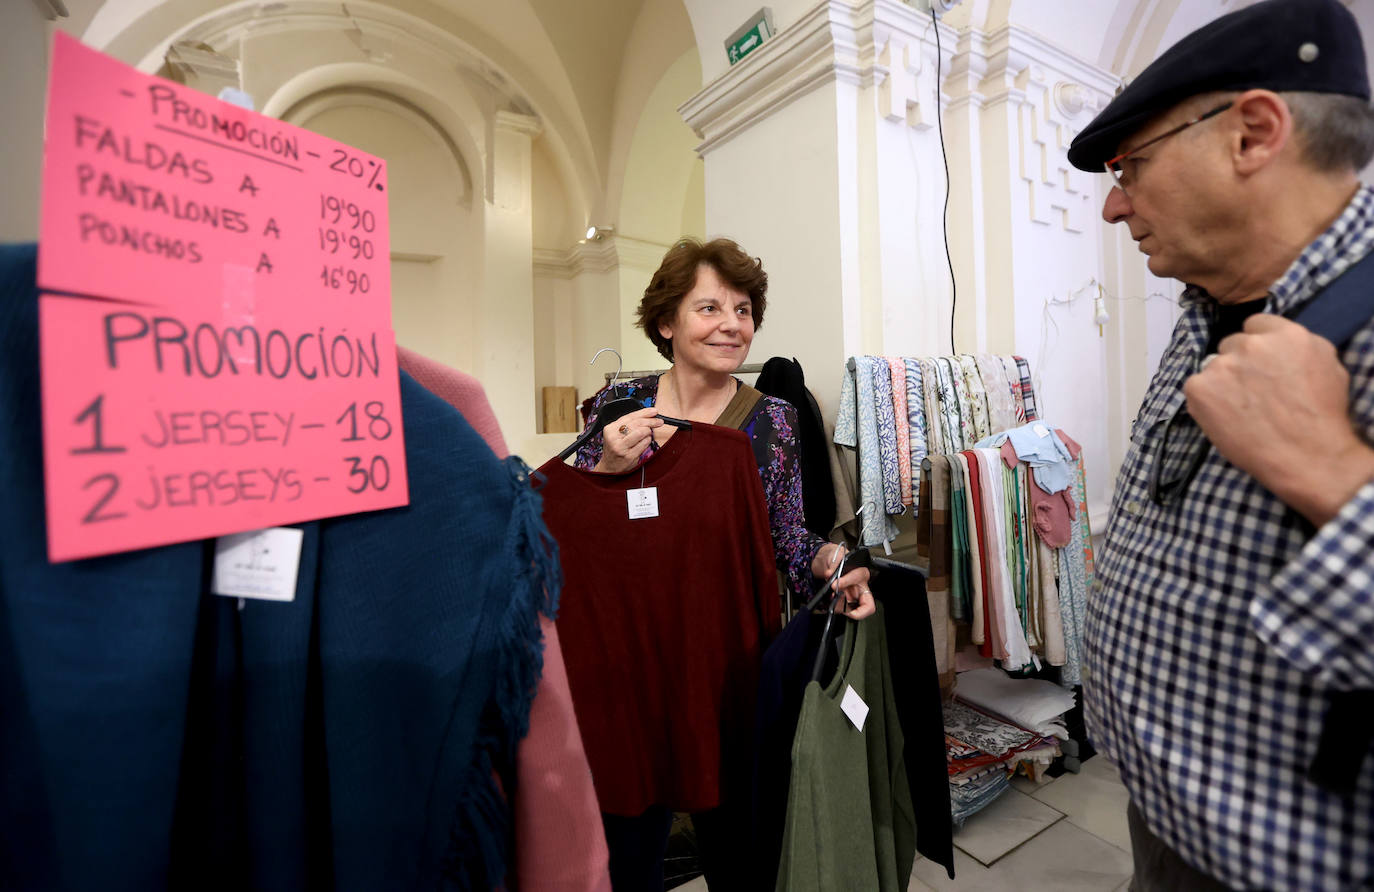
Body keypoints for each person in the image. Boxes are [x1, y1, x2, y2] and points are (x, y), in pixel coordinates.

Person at [1067, 0, 1374, 888]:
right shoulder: (1210, 300)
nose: (1113, 207)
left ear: (1253, 133)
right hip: (1171, 817)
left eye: (1131, 165)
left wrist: (1340, 481)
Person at [577, 236, 874, 617]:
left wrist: (829, 559)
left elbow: (785, 538)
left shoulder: (774, 420)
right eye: (709, 308)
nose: (732, 325)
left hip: (730, 632)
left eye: (743, 310)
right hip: (626, 623)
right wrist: (606, 472)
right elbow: (576, 527)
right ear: (667, 322)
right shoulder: (617, 407)